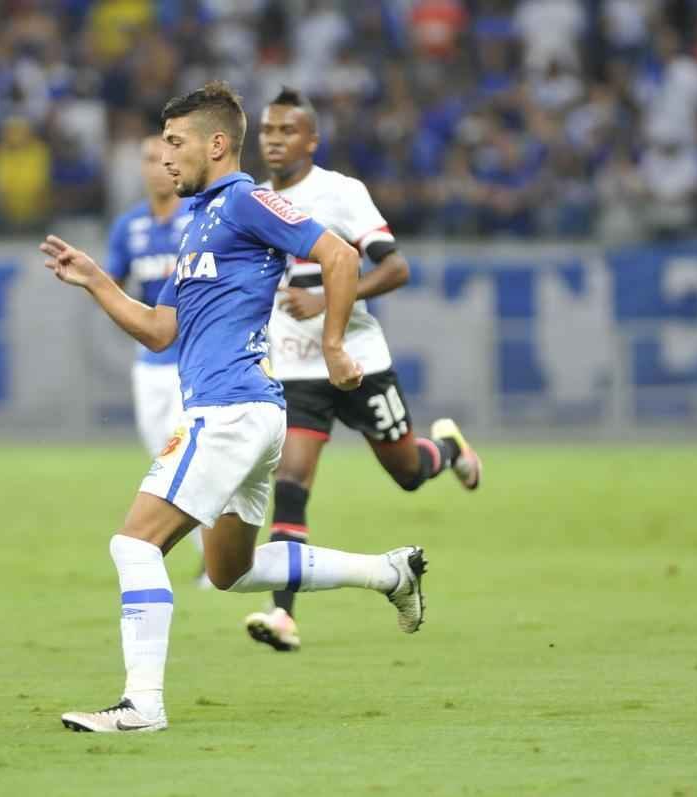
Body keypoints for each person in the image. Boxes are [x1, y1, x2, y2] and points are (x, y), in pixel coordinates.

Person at [40, 81, 428, 734]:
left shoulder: (246, 200)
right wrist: (97, 281)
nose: (165, 158)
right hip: (249, 413)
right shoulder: (200, 223)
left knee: (133, 545)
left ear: (217, 145)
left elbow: (337, 255)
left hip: (228, 410)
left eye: (175, 143)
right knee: (230, 570)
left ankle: (142, 705)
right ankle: (388, 572)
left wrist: (333, 344)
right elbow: (161, 329)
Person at [242, 87, 482, 653]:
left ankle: (448, 450)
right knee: (291, 484)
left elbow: (395, 269)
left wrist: (326, 300)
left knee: (407, 472)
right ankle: (283, 616)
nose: (275, 140)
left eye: (287, 131)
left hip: (358, 360)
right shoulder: (252, 200)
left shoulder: (341, 193)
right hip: (296, 369)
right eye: (268, 130)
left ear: (312, 140)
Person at [104, 133, 209, 584]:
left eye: (168, 155)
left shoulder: (199, 217)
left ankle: (215, 557)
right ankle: (211, 551)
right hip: (151, 362)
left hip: (198, 360)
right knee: (162, 455)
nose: (160, 164)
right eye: (150, 158)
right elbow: (112, 284)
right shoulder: (129, 226)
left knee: (190, 459)